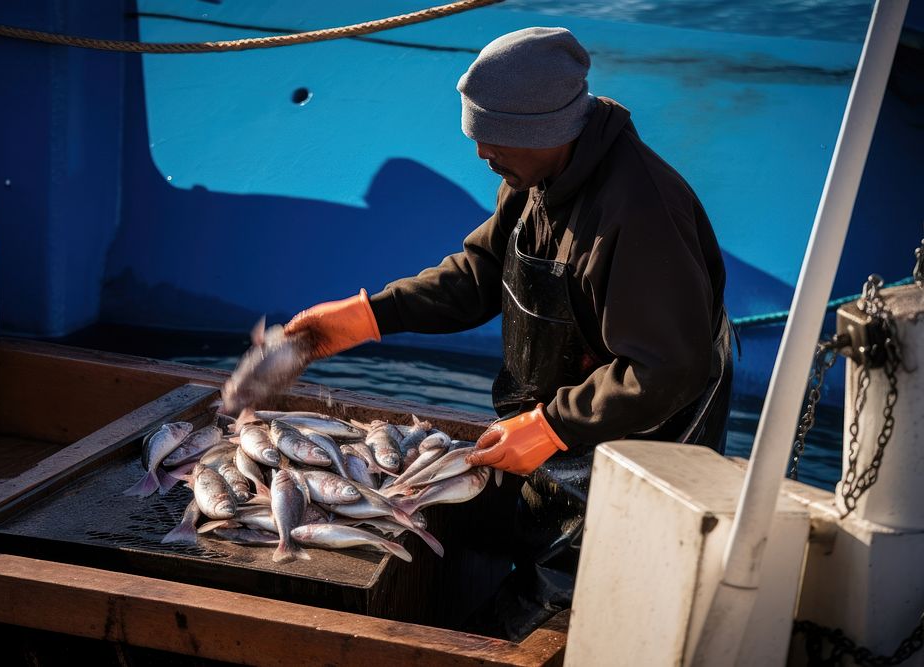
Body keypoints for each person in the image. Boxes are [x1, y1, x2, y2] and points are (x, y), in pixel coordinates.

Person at [283, 26, 732, 639]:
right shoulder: (537, 178)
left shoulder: (640, 212)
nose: (479, 153)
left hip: (640, 450)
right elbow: (479, 274)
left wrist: (552, 426)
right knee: (492, 535)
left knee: (549, 614)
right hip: (563, 431)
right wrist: (370, 315)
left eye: (490, 136)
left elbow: (663, 369)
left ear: (545, 130)